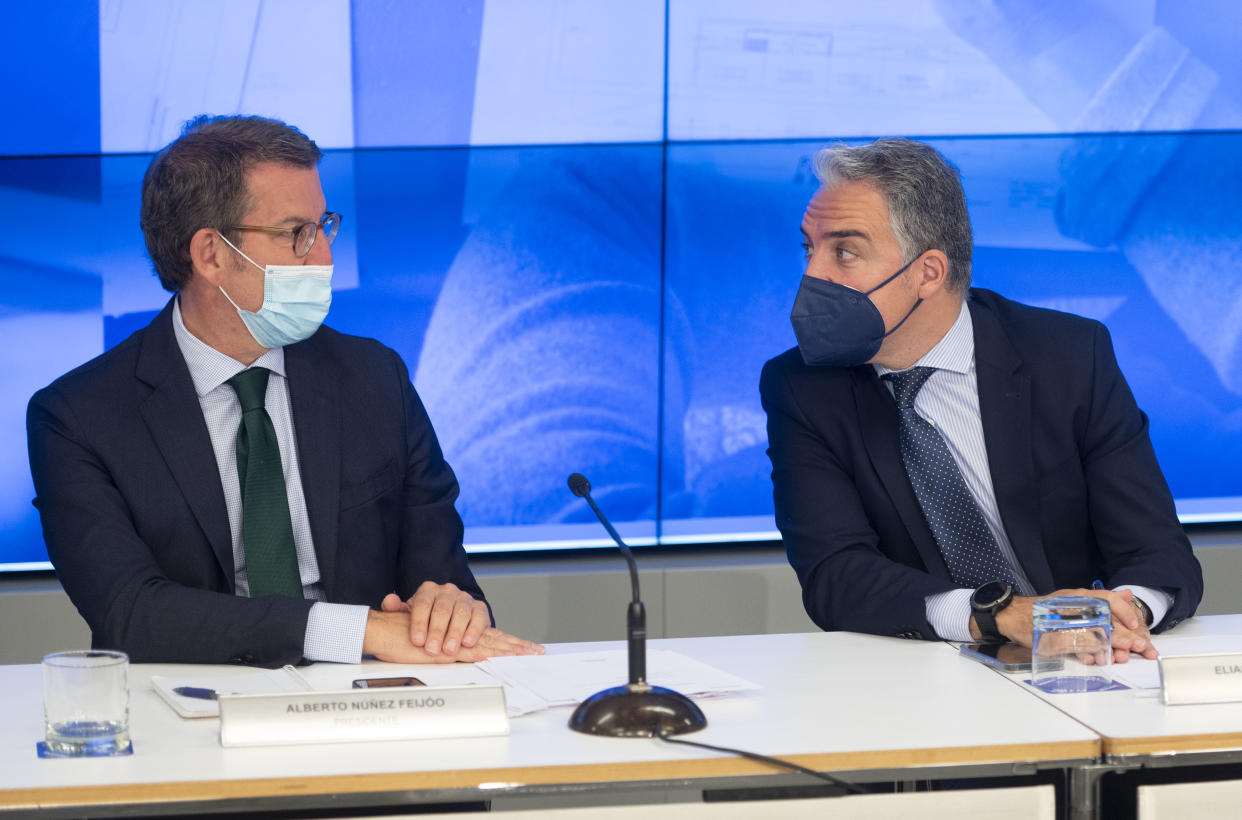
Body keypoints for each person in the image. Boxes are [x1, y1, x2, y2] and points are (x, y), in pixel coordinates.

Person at [26, 115, 542, 668]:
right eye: (296, 233)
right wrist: (356, 631)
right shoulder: (78, 418)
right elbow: (131, 614)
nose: (323, 257)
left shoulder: (374, 378)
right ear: (211, 254)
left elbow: (440, 574)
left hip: (376, 703)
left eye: (324, 227)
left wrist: (449, 606)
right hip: (194, 711)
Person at [761, 138, 1202, 661]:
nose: (813, 276)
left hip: (1086, 662)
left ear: (928, 272)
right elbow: (836, 574)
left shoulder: (1069, 355)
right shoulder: (801, 386)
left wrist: (1114, 614)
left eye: (845, 252)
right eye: (809, 249)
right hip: (923, 676)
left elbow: (1157, 552)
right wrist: (998, 615)